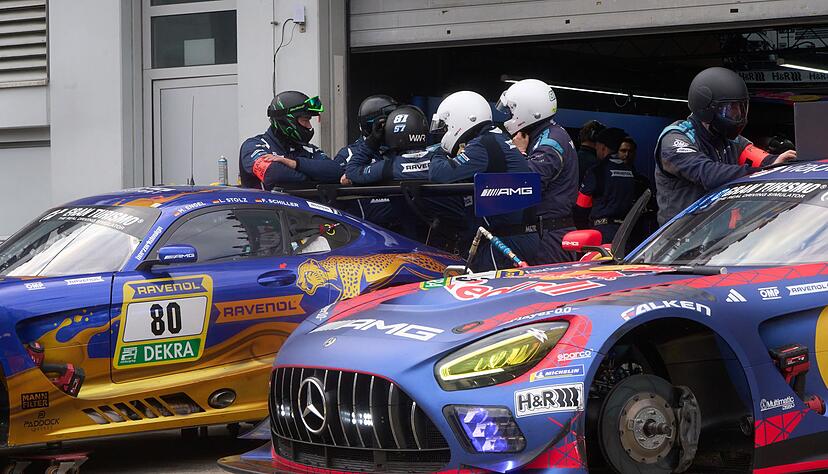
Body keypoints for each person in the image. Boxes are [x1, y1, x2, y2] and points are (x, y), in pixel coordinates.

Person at [654, 67, 796, 224]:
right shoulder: (676, 139)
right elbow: (708, 174)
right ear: (706, 106)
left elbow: (762, 160)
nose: (737, 115)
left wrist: (779, 161)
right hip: (678, 240)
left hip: (715, 238)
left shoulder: (729, 139)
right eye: (730, 109)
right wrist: (764, 171)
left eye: (742, 108)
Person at [429, 90, 539, 271]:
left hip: (508, 239)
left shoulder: (484, 144)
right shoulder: (495, 139)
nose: (445, 133)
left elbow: (439, 174)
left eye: (446, 126)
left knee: (492, 294)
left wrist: (438, 153)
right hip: (517, 235)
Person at [347, 105, 469, 251]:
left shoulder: (389, 167)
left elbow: (352, 170)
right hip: (457, 244)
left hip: (412, 249)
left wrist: (372, 141)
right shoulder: (440, 159)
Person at [497, 78, 578, 264]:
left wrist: (519, 153)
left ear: (529, 110)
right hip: (547, 232)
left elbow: (528, 185)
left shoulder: (550, 143)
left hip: (549, 236)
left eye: (512, 111)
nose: (509, 115)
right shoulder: (548, 134)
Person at [239, 91, 343, 190]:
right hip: (264, 207)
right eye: (305, 120)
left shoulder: (309, 150)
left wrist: (295, 164)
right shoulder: (253, 146)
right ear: (286, 121)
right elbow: (274, 174)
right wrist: (315, 177)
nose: (309, 126)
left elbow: (336, 171)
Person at [333, 94, 399, 226]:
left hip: (406, 230)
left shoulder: (400, 151)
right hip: (368, 232)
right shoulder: (348, 154)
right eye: (390, 120)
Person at [576, 127, 639, 243]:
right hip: (626, 231)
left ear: (602, 148)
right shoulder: (632, 171)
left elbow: (582, 204)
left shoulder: (597, 171)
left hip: (602, 231)